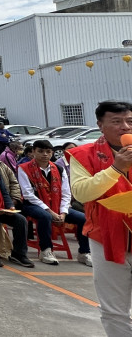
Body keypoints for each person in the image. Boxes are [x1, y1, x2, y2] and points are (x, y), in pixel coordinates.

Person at [69, 101, 132, 336]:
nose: (124, 127)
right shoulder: (83, 154)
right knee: (114, 308)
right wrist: (116, 169)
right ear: (100, 125)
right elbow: (81, 192)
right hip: (105, 235)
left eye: (130, 121)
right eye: (116, 121)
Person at [18, 139, 89, 266]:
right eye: (40, 151)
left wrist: (63, 212)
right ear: (33, 152)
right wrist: (50, 211)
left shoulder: (59, 169)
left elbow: (66, 193)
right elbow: (28, 194)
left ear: (52, 153)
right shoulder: (24, 169)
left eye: (48, 152)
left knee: (84, 218)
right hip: (32, 205)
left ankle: (84, 252)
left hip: (57, 206)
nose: (45, 154)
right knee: (45, 216)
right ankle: (46, 250)